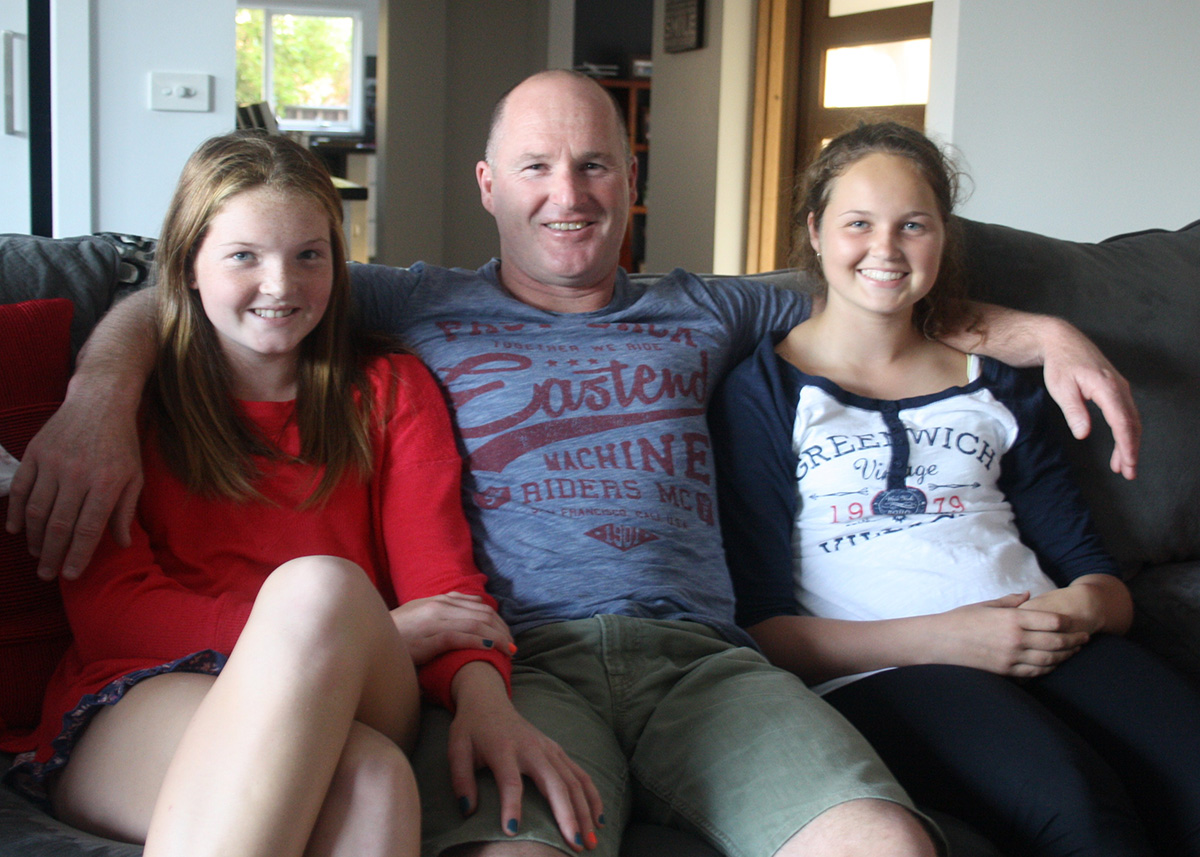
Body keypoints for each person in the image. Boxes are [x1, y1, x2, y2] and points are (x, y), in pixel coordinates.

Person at [6, 71, 1142, 857]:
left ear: (629, 180)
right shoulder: (413, 305)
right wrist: (103, 387)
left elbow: (876, 275)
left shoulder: (703, 310)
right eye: (537, 166)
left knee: (887, 840)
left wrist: (1039, 334)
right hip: (526, 658)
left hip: (704, 659)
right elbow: (179, 281)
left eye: (595, 164)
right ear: (487, 185)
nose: (571, 194)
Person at [3, 131, 602, 857]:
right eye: (244, 256)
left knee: (318, 589)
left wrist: (481, 697)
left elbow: (446, 591)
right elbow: (114, 615)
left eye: (309, 255)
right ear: (189, 264)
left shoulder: (389, 390)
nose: (281, 284)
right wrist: (346, 635)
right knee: (375, 785)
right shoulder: (128, 408)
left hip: (365, 686)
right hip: (140, 690)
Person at [709, 121, 1200, 857]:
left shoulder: (998, 382)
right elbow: (767, 631)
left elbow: (1106, 584)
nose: (886, 248)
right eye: (858, 223)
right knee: (1078, 807)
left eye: (914, 225)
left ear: (943, 237)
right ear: (815, 232)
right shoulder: (763, 391)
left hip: (1049, 636)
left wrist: (1078, 606)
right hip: (887, 672)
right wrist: (949, 637)